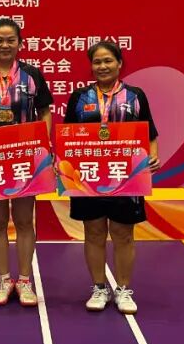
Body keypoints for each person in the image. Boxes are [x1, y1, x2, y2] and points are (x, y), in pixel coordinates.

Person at [64, 41, 160, 315]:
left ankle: (123, 289)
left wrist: (153, 156)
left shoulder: (135, 95)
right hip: (88, 176)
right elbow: (68, 136)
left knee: (123, 234)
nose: (102, 66)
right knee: (93, 232)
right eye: (97, 62)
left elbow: (150, 134)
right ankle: (99, 288)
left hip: (126, 176)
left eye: (108, 61)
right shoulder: (80, 97)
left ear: (119, 63)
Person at [0, 18, 53, 307]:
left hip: (25, 158)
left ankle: (25, 280)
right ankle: (4, 280)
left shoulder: (32, 75)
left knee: (25, 220)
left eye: (10, 40)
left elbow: (44, 112)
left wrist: (44, 145)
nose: (5, 45)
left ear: (20, 43)